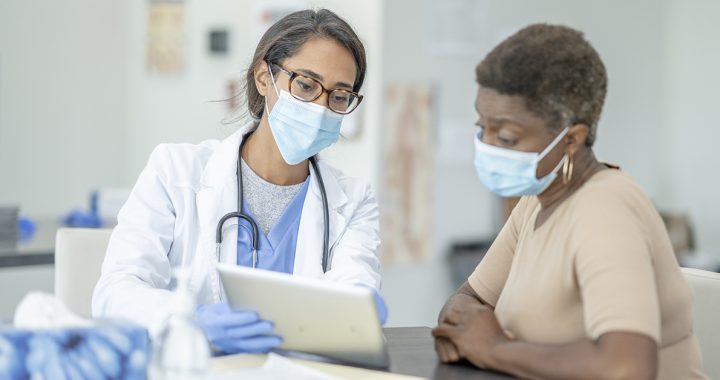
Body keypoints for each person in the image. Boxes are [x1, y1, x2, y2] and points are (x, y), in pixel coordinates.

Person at [93, 9, 387, 355]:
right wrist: (191, 319)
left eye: (338, 96)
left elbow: (352, 295)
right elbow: (115, 292)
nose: (321, 107)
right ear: (264, 78)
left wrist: (356, 310)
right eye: (306, 85)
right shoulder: (175, 171)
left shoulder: (353, 201)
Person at [433, 24, 706, 380]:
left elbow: (627, 368)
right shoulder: (536, 200)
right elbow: (466, 302)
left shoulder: (606, 211)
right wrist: (474, 336)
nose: (487, 145)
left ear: (572, 139)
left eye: (506, 136)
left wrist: (494, 349)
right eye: (481, 127)